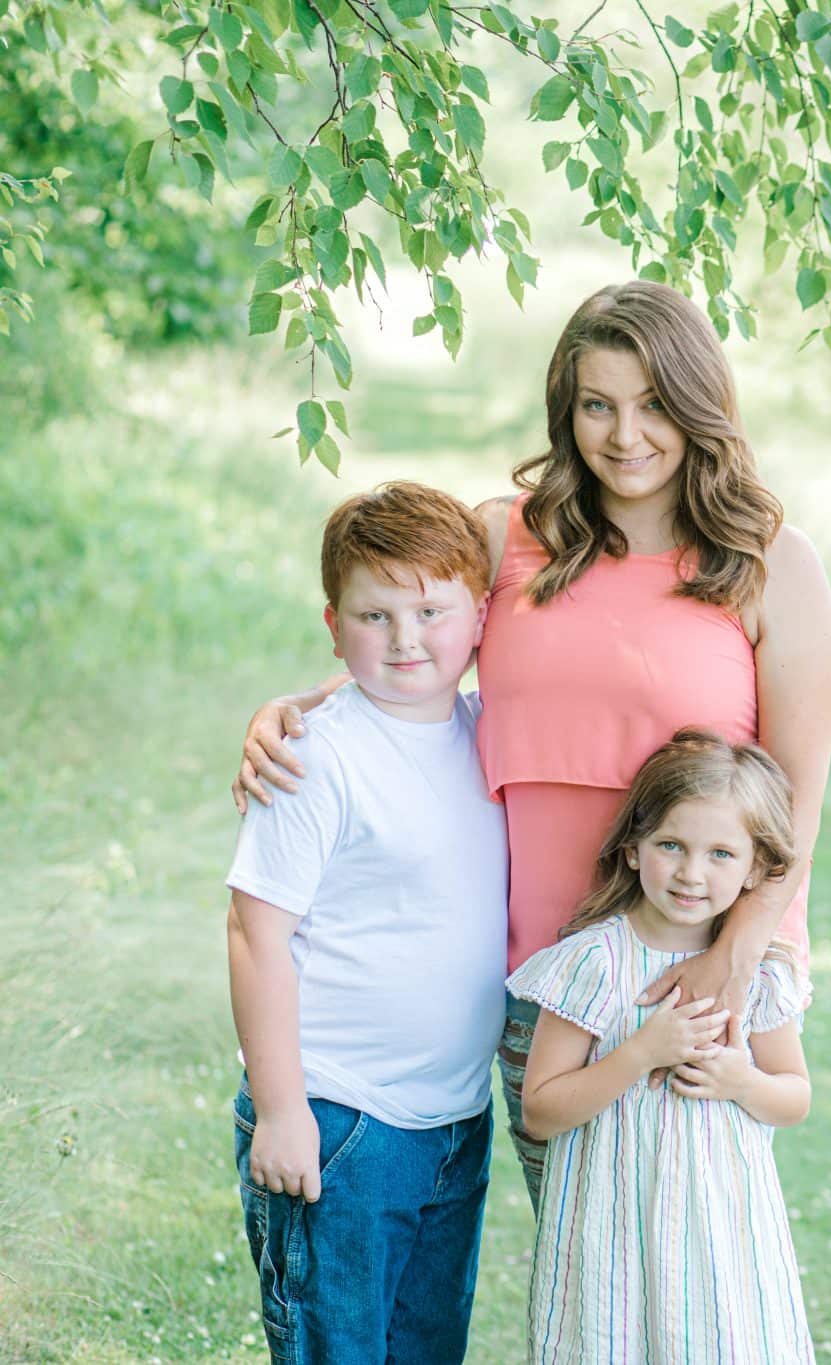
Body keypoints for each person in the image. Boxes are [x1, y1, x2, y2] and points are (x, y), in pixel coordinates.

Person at [232, 281, 831, 1204]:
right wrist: (296, 706)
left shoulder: (771, 564)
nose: (626, 434)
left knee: (689, 1266)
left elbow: (796, 805)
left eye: (654, 405)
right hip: (547, 974)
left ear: (699, 405)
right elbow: (409, 654)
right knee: (581, 1260)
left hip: (696, 963)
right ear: (567, 411)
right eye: (598, 404)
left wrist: (734, 958)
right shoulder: (507, 537)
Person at [225, 482, 506, 1362]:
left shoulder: (486, 734)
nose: (406, 638)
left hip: (455, 1120)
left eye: (430, 609)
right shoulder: (314, 756)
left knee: (426, 1346)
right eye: (374, 615)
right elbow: (254, 933)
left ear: (480, 616)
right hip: (342, 1119)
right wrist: (280, 1110)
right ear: (334, 625)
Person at [510, 727, 813, 1361]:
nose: (690, 873)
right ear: (632, 849)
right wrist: (639, 1053)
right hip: (609, 1233)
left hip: (724, 1236)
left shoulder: (755, 974)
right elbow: (539, 1112)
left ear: (758, 866)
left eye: (721, 855)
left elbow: (794, 1097)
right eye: (670, 845)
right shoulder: (591, 962)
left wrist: (742, 1082)